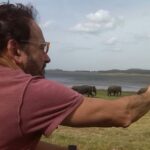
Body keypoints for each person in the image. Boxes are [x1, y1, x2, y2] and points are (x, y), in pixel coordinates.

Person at [0, 2, 150, 150]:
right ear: (15, 50)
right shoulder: (28, 91)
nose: (47, 58)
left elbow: (18, 141)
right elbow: (124, 113)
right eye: (42, 47)